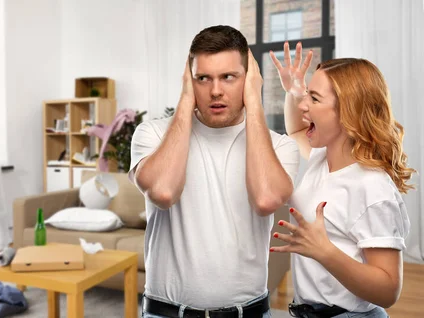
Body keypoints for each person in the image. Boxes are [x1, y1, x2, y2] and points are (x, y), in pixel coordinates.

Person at [129, 25, 300, 318]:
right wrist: (186, 100)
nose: (216, 90)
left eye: (228, 77)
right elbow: (164, 192)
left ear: (249, 80)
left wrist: (254, 102)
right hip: (165, 313)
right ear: (188, 80)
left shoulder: (280, 146)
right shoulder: (153, 134)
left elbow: (266, 199)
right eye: (203, 78)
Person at [269, 42, 414, 318]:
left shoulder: (372, 187)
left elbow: (388, 290)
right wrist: (294, 89)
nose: (303, 105)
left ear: (348, 112)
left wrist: (325, 252)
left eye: (314, 98)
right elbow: (298, 128)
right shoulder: (321, 158)